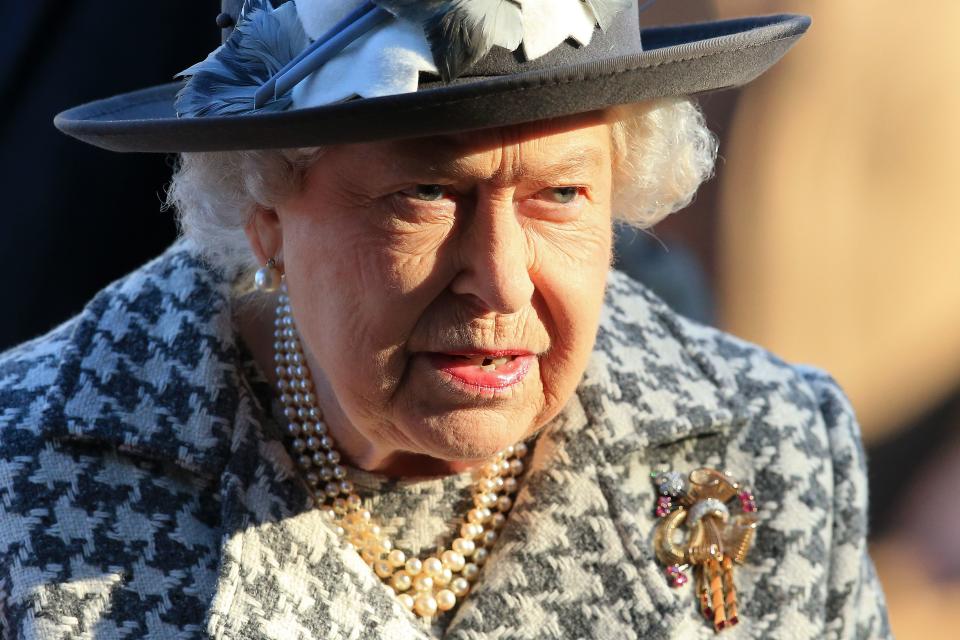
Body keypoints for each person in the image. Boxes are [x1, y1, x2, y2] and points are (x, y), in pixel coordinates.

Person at [0, 1, 890, 637]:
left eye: (561, 194)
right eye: (425, 193)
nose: (500, 282)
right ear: (265, 210)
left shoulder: (778, 449)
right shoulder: (26, 476)